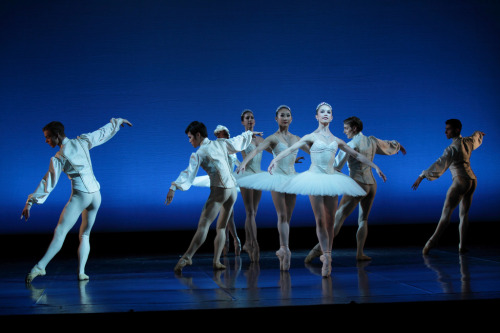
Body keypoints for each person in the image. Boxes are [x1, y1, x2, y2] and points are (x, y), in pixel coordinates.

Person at [268, 103, 386, 277]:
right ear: (317, 116)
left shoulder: (337, 140)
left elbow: (356, 155)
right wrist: (275, 160)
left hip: (331, 178)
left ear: (331, 117)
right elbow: (292, 148)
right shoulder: (310, 136)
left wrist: (375, 166)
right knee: (321, 219)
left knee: (331, 220)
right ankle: (325, 255)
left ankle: (327, 256)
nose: (325, 114)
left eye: (328, 112)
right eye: (322, 112)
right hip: (315, 178)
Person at [21, 118, 133, 284]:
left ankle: (40, 267)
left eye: (48, 137)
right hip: (96, 195)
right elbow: (100, 134)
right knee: (85, 234)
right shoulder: (82, 141)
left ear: (58, 135)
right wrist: (116, 122)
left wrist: (30, 201)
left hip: (81, 195)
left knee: (60, 231)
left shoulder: (59, 157)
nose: (46, 140)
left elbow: (48, 182)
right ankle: (81, 272)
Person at [305, 116, 406, 263]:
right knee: (363, 219)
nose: (344, 131)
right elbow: (389, 145)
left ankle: (317, 250)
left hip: (357, 184)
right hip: (371, 186)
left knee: (338, 218)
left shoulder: (351, 144)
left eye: (346, 128)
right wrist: (398, 146)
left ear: (354, 128)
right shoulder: (372, 140)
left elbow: (336, 165)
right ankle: (359, 253)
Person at [166, 121, 260, 273]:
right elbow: (237, 142)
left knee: (203, 225)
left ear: (198, 135)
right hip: (232, 191)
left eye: (190, 137)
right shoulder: (220, 144)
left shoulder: (200, 153)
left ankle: (187, 257)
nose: (190, 141)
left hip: (220, 191)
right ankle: (216, 261)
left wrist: (173, 186)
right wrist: (249, 134)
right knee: (221, 227)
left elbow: (188, 173)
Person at [237, 105, 309, 271]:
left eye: (287, 115)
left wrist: (329, 164)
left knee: (287, 218)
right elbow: (256, 151)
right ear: (276, 119)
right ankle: (285, 250)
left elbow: (313, 152)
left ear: (291, 119)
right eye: (281, 115)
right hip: (276, 178)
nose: (285, 117)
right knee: (282, 215)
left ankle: (284, 247)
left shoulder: (297, 138)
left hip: (292, 177)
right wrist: (244, 162)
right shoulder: (271, 138)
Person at [412, 119, 484, 255]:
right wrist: (479, 133)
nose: (445, 131)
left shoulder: (452, 148)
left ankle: (431, 242)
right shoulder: (467, 141)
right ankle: (461, 246)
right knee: (464, 215)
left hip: (461, 181)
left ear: (456, 130)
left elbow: (440, 163)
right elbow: (475, 138)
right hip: (472, 181)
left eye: (448, 129)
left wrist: (421, 176)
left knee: (446, 214)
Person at [192, 125, 242, 256]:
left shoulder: (230, 149)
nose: (220, 136)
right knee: (225, 217)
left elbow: (238, 163)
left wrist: (241, 167)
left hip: (230, 183)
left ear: (225, 134)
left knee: (228, 216)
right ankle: (229, 242)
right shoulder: (217, 147)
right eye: (218, 134)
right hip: (220, 183)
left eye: (222, 133)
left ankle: (234, 240)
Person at [236, 110, 268, 262]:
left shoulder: (260, 139)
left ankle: (248, 243)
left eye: (252, 117)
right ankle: (254, 245)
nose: (250, 120)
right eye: (247, 118)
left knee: (253, 213)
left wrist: (290, 160)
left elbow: (275, 150)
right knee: (249, 212)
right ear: (242, 122)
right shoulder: (242, 138)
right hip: (246, 176)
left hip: (258, 176)